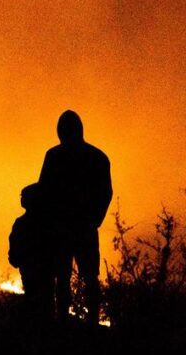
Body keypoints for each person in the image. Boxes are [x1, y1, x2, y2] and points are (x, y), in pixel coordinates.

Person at [38, 110, 112, 325]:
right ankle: (89, 322)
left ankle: (64, 320)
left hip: (66, 227)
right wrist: (94, 219)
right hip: (78, 227)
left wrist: (92, 220)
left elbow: (45, 190)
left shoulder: (54, 156)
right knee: (85, 277)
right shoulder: (97, 157)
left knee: (66, 277)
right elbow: (105, 193)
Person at [9, 183, 54, 322]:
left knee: (37, 298)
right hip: (36, 268)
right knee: (43, 299)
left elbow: (15, 244)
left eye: (24, 196)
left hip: (34, 267)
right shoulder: (46, 222)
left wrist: (15, 258)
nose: (21, 199)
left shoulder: (24, 223)